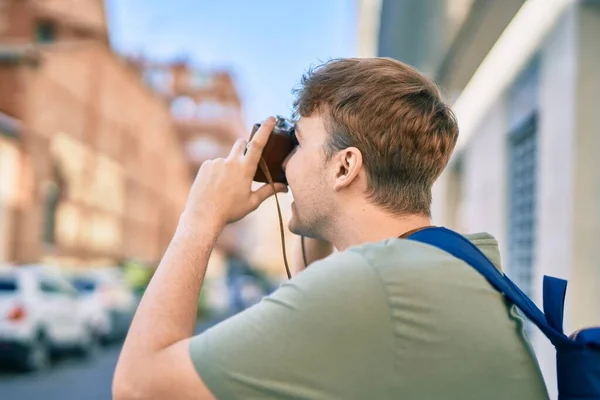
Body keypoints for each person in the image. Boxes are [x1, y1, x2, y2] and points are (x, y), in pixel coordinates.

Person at [113, 58, 549, 399]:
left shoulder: (371, 285)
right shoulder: (459, 264)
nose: (283, 165)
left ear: (344, 166)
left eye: (298, 142)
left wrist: (198, 219)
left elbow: (139, 386)